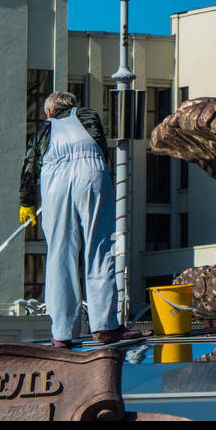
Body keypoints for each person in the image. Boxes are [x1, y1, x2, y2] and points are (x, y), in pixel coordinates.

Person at [19, 91, 147, 348]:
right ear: (73, 106)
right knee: (99, 248)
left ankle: (63, 332)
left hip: (54, 179)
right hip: (91, 173)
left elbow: (30, 164)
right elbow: (101, 146)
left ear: (48, 112)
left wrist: (27, 203)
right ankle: (105, 327)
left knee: (60, 252)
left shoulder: (43, 130)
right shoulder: (88, 116)